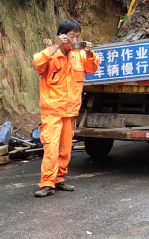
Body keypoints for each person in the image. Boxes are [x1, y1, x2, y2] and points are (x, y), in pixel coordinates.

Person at [32, 19, 99, 197]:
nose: (75, 39)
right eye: (71, 36)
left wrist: (90, 52)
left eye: (77, 36)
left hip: (70, 111)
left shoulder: (80, 55)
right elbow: (38, 64)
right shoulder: (50, 54)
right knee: (51, 147)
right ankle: (47, 183)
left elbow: (92, 68)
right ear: (62, 36)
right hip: (52, 111)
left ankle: (59, 179)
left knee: (65, 148)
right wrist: (56, 45)